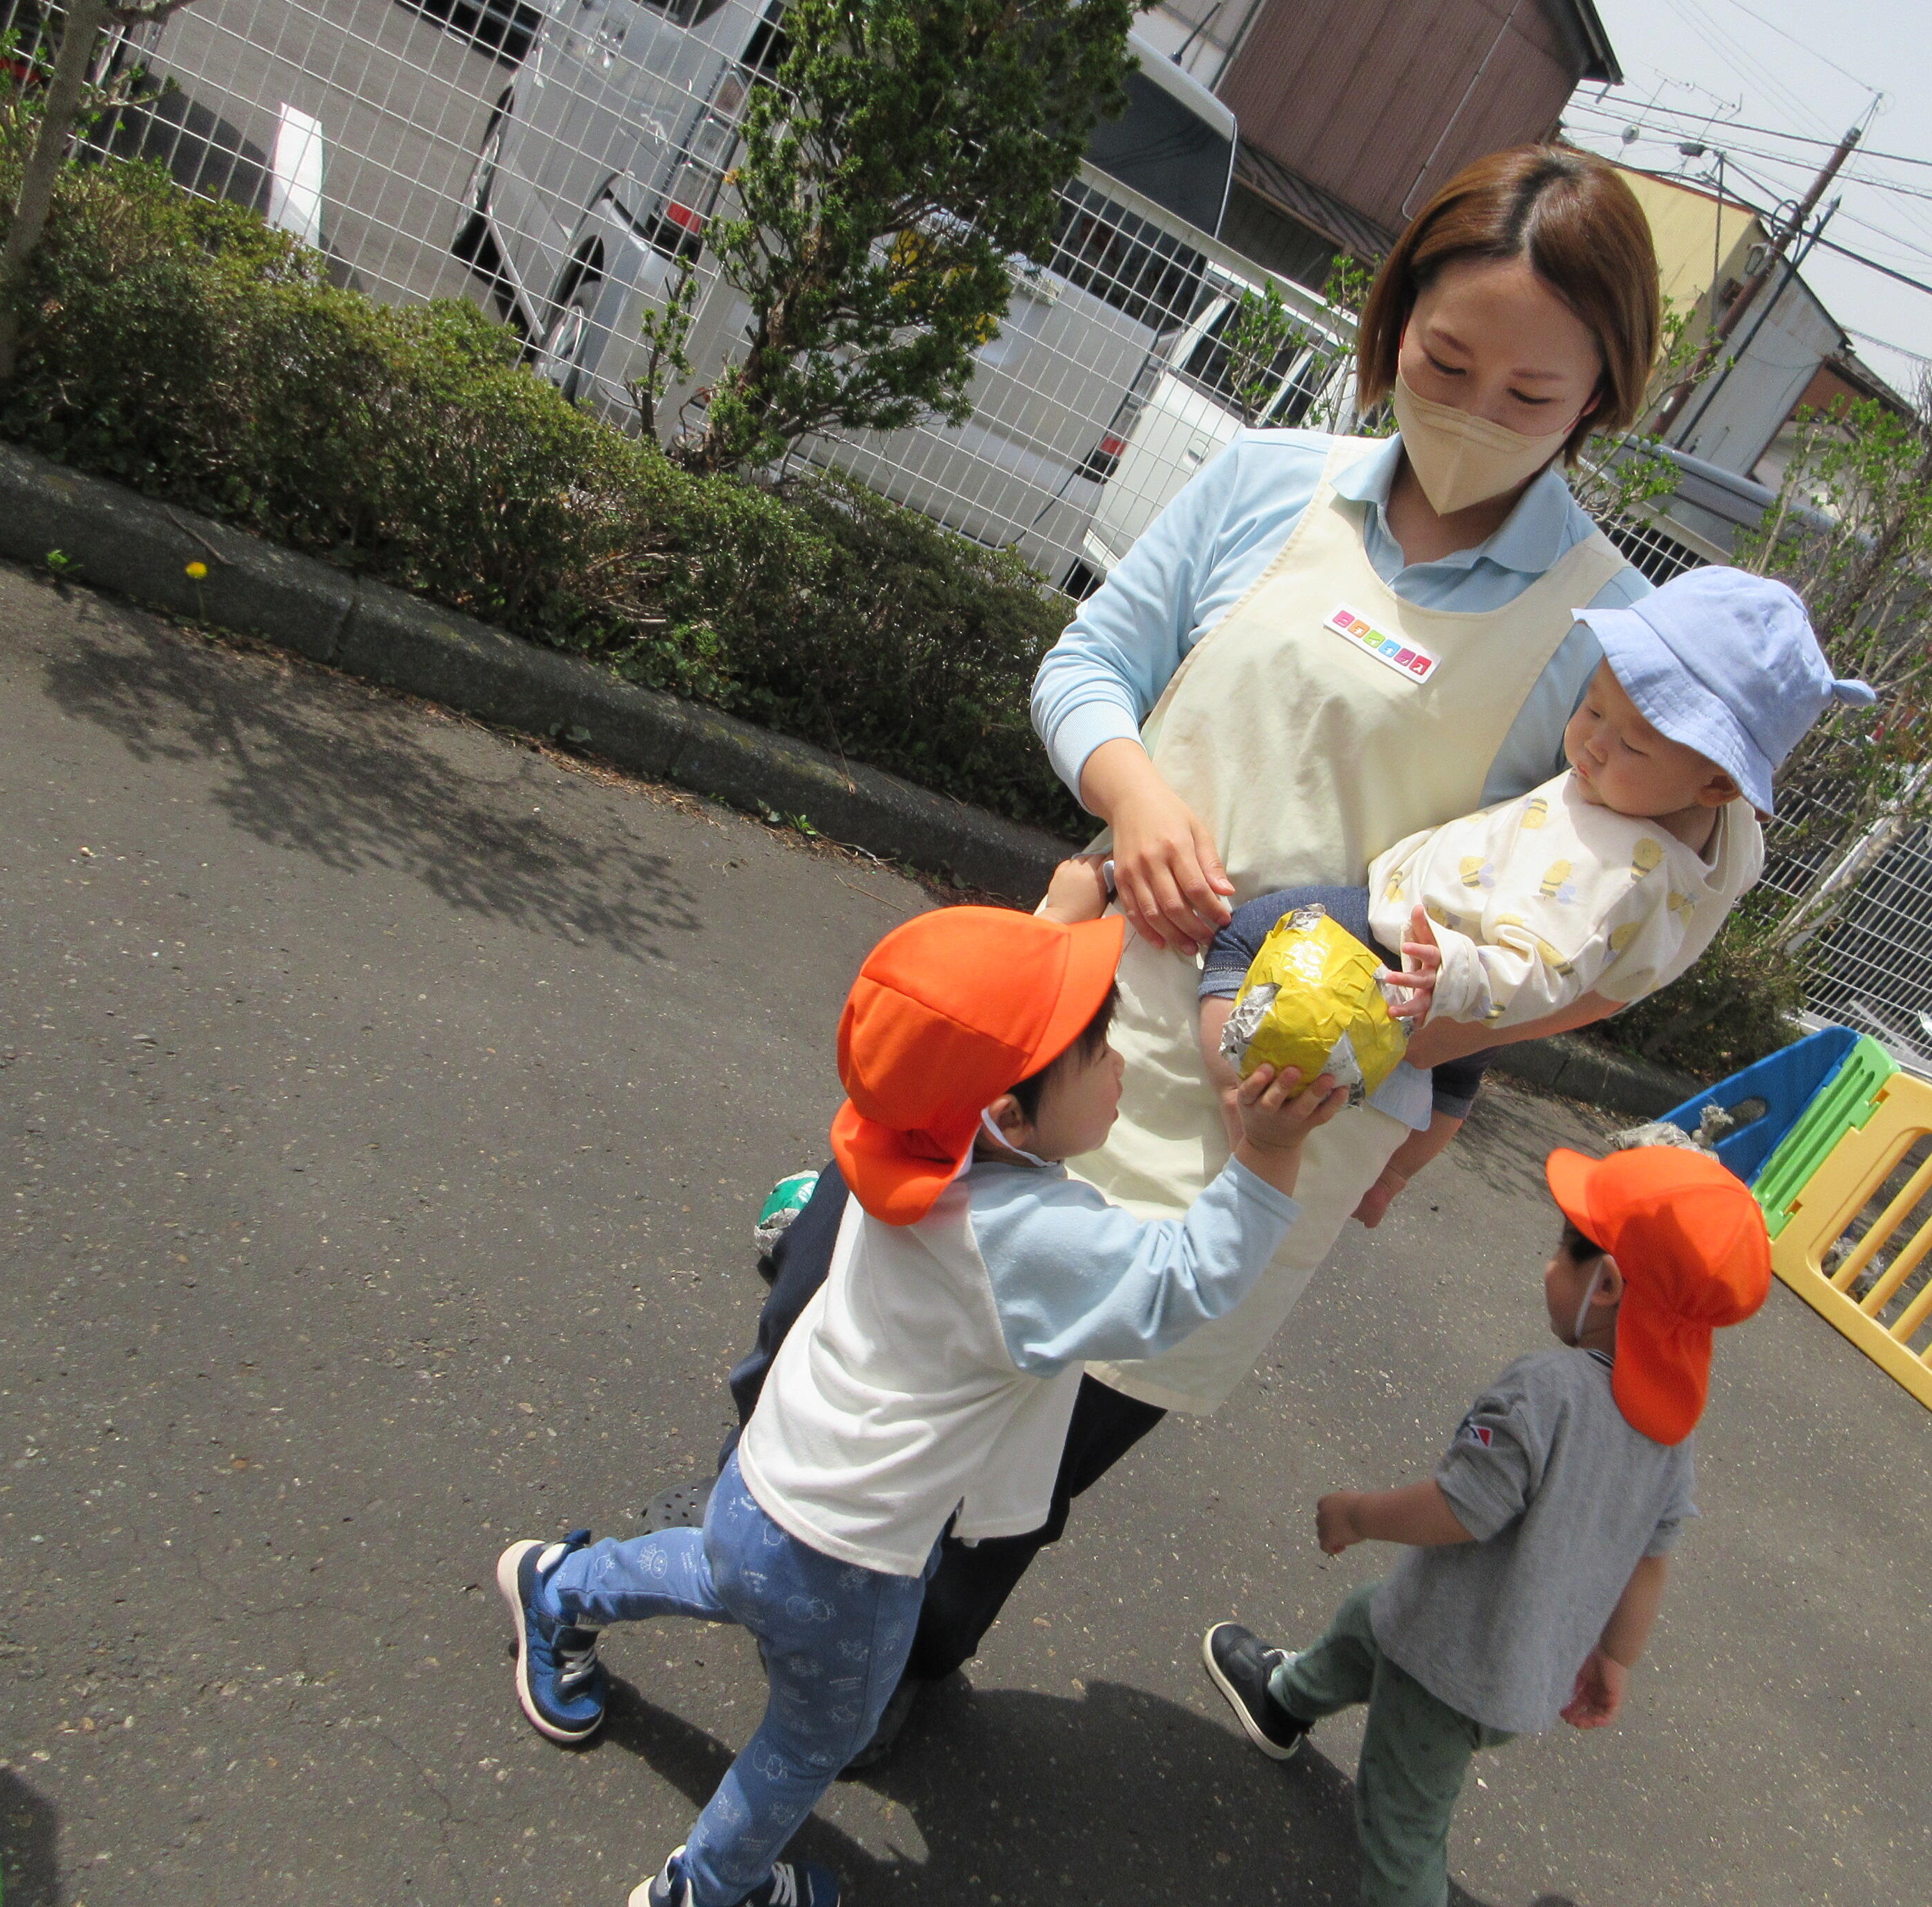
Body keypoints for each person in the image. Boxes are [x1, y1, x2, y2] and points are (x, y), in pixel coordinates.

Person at [654, 143, 1685, 1761]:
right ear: (1391, 319)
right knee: (859, 1314)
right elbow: (1090, 663)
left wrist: (1448, 1069)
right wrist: (1132, 797)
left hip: (1287, 1104)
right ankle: (748, 1552)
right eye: (1443, 358)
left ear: (1604, 394)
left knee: (1054, 1439)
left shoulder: (1613, 637)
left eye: (1532, 389)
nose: (1475, 405)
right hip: (1074, 996)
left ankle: (896, 1675)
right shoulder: (1273, 480)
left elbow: (1576, 919)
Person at [493, 907, 1344, 1907]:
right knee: (817, 1737)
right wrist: (1269, 1151)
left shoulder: (902, 1138)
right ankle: (708, 1888)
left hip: (768, 1479)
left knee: (719, 1573)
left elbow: (964, 1022)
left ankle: (555, 1587)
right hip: (852, 1558)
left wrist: (1068, 902)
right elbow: (1184, 1281)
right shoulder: (1027, 1238)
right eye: (1101, 1050)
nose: (1125, 1066)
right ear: (1008, 1120)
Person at [1073, 563, 1871, 1225]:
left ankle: (1232, 1088)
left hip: (1427, 946)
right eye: (1592, 707)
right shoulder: (1720, 833)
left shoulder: (1608, 861)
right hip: (1478, 982)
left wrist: (1448, 977)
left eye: (1627, 741)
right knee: (1458, 1080)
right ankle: (1390, 1179)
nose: (1591, 743)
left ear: (1717, 778)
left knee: (1254, 930)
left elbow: (1539, 967)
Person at [1199, 1144, 1772, 1907]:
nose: (1547, 1269)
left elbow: (1463, 1509)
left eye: (1560, 1249)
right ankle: (1285, 1697)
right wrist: (1614, 1660)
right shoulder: (1671, 1437)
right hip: (1525, 1665)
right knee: (1368, 1620)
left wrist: (1358, 1514)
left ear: (1604, 1285)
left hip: (1448, 1664)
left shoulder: (1547, 1390)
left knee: (1401, 1828)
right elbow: (1652, 1561)